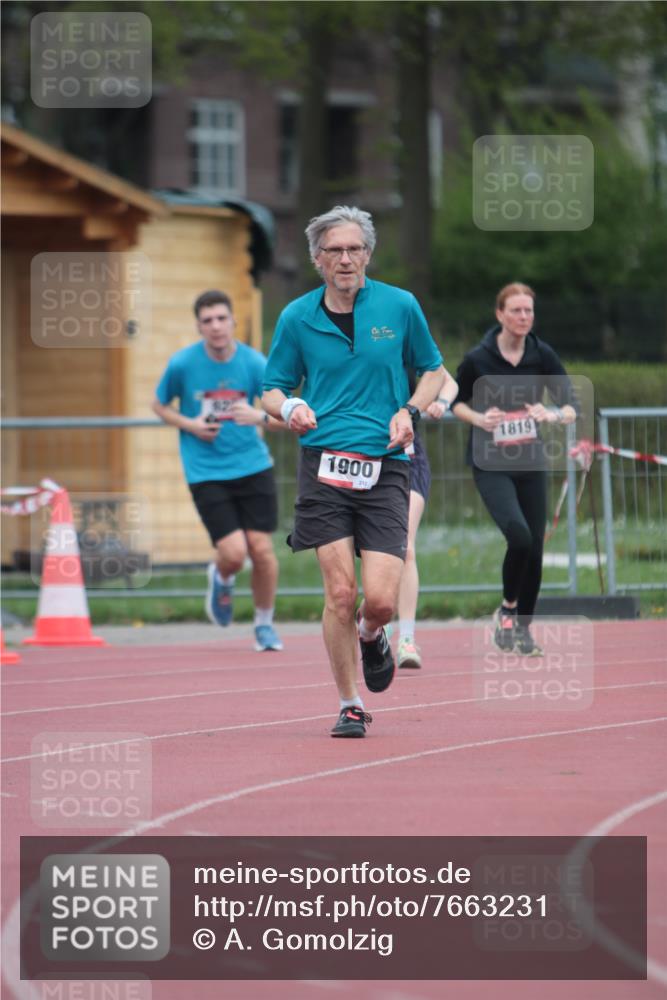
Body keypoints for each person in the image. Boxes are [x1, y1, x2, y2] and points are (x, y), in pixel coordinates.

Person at [262, 205, 445, 737]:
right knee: (340, 594)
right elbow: (272, 386)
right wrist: (290, 408)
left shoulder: (400, 305)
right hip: (324, 467)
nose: (346, 259)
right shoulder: (296, 317)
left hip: (387, 465)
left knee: (380, 600)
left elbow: (433, 371)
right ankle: (349, 702)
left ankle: (372, 635)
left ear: (368, 254)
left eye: (355, 249)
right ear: (317, 259)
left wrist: (408, 410)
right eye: (334, 251)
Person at [152, 289, 284, 652]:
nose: (216, 326)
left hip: (253, 465)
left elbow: (283, 416)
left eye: (221, 318)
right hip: (206, 470)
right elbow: (159, 405)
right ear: (199, 327)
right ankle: (221, 576)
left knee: (262, 550)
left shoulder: (255, 363)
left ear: (233, 322)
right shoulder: (182, 364)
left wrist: (257, 415)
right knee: (233, 553)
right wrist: (191, 425)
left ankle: (264, 625)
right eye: (207, 321)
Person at [451, 283, 577, 656]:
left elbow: (571, 406)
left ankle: (519, 627)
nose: (524, 317)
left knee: (535, 548)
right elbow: (454, 401)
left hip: (530, 461)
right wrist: (478, 417)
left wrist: (550, 413)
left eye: (529, 311)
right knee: (519, 536)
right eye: (517, 311)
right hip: (490, 463)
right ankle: (507, 609)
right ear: (500, 314)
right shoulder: (479, 358)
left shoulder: (542, 354)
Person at [395, 373, 458, 670]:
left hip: (409, 459)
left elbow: (448, 380)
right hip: (363, 458)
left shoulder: (405, 334)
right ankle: (374, 622)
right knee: (372, 550)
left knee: (404, 545)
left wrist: (442, 402)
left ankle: (406, 639)